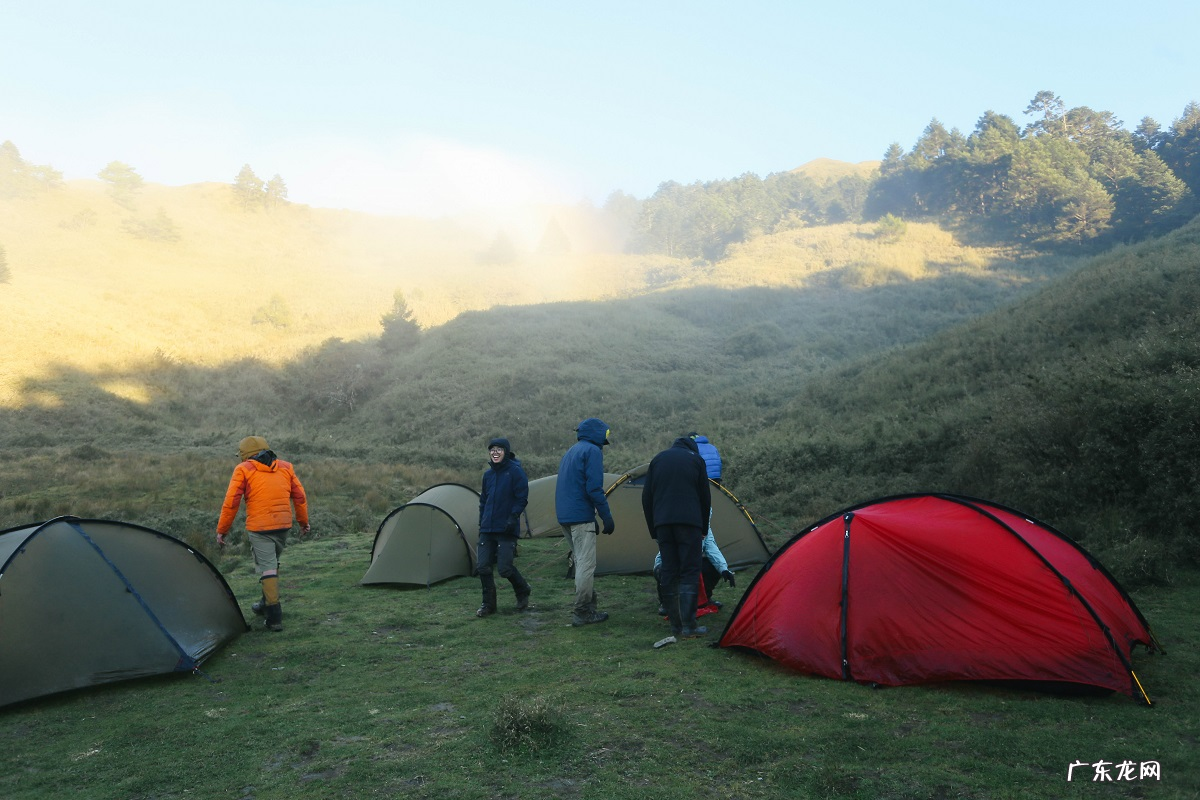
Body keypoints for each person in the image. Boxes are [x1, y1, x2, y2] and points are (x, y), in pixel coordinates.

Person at [216, 435, 310, 632]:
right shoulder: (286, 466)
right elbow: (300, 497)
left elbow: (232, 501)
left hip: (260, 528)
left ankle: (274, 616)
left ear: (245, 455)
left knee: (267, 568)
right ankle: (264, 603)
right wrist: (303, 522)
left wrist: (222, 530)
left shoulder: (243, 469)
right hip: (283, 525)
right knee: (271, 565)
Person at [641, 434, 711, 639]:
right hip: (690, 523)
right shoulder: (696, 460)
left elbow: (647, 497)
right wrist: (704, 527)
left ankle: (675, 626)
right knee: (690, 570)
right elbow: (704, 497)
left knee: (669, 570)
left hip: (663, 524)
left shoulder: (658, 459)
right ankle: (689, 626)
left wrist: (654, 529)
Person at [555, 417, 616, 626]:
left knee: (580, 562)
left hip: (565, 515)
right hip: (579, 516)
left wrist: (591, 516)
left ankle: (589, 607)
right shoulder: (592, 452)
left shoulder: (571, 451)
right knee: (586, 565)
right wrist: (605, 516)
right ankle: (582, 612)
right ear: (599, 434)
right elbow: (593, 488)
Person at [475, 437, 532, 617]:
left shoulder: (515, 472)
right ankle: (488, 605)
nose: (495, 452)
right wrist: (481, 521)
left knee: (505, 569)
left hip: (507, 528)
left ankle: (522, 590)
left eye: (499, 449)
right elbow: (483, 500)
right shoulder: (488, 475)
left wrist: (513, 517)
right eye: (492, 450)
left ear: (506, 452)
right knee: (483, 567)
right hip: (487, 528)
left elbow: (522, 497)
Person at [652, 529, 735, 616]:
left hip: (692, 563)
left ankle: (705, 598)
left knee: (711, 567)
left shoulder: (705, 528)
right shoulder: (674, 523)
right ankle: (667, 602)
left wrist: (723, 569)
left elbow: (711, 548)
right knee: (666, 570)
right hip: (670, 562)